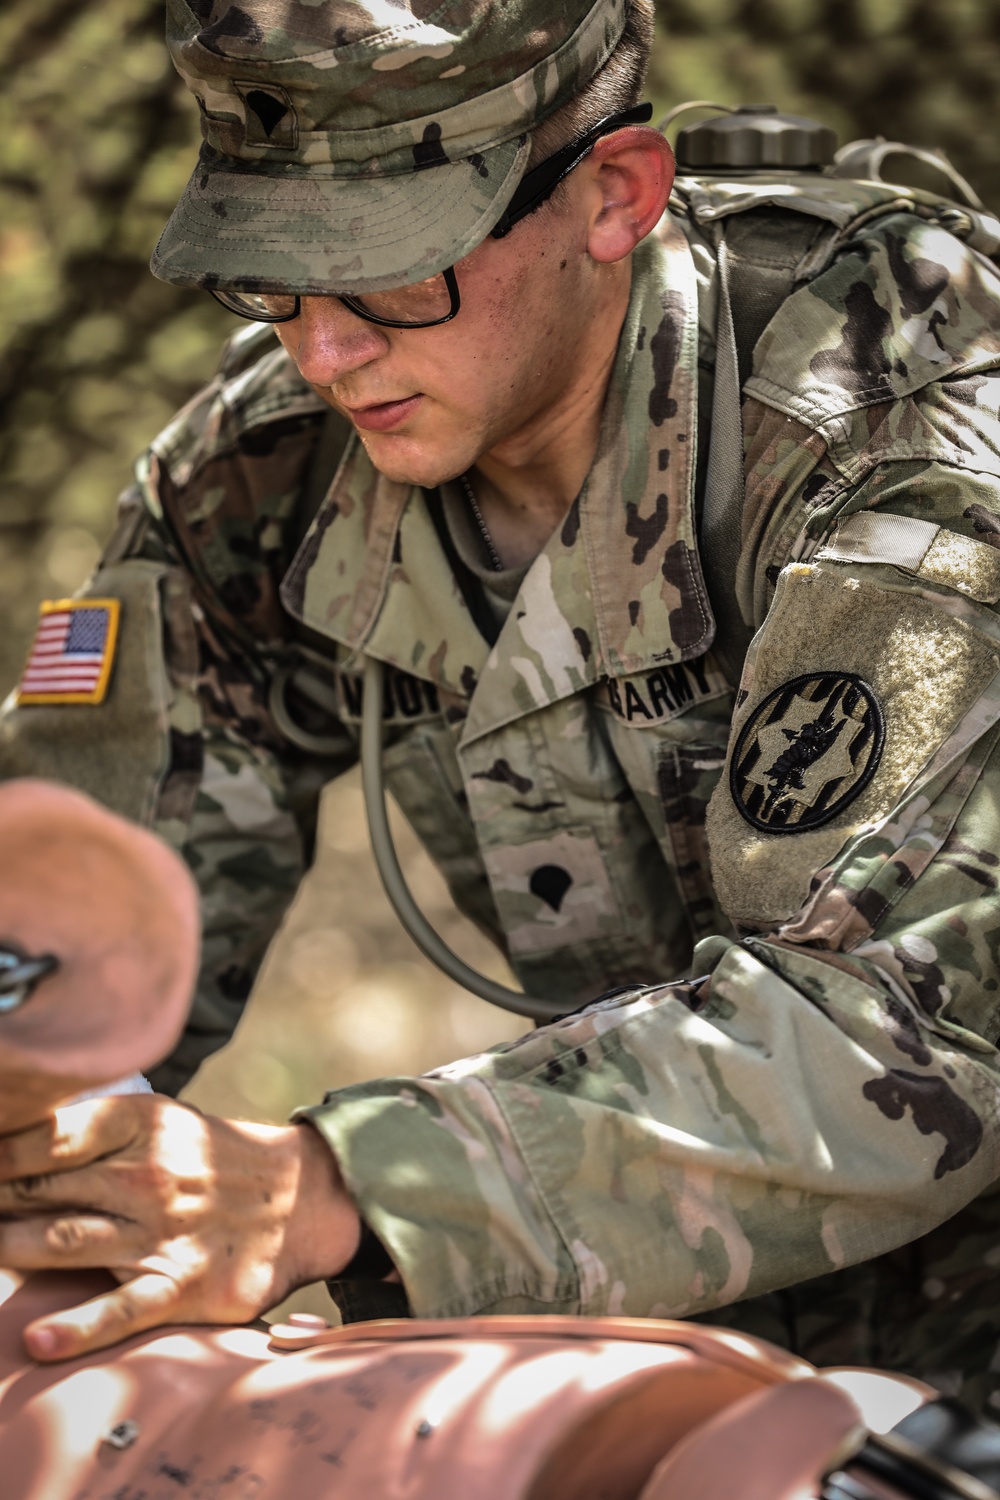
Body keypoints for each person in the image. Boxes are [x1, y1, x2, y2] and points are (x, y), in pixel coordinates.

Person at [2, 0, 1000, 1415]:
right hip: (691, 1335)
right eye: (273, 279)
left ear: (615, 197)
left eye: (390, 276)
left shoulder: (912, 412)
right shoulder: (261, 475)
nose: (324, 352)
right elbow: (65, 920)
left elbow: (901, 1028)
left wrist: (334, 1187)